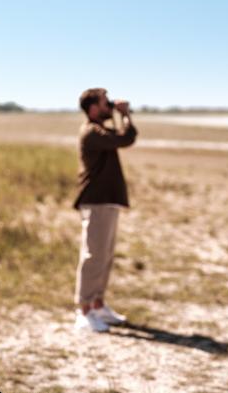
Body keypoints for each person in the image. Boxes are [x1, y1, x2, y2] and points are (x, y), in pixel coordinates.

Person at [73, 88, 137, 333]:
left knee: (105, 256)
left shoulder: (100, 130)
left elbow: (125, 136)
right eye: (104, 103)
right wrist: (124, 114)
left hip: (107, 201)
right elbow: (125, 138)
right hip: (96, 201)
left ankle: (98, 304)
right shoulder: (91, 132)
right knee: (93, 257)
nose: (108, 106)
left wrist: (122, 115)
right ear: (92, 108)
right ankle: (84, 310)